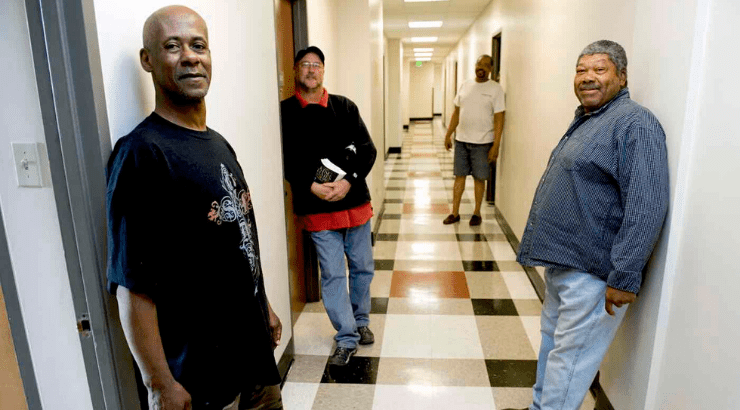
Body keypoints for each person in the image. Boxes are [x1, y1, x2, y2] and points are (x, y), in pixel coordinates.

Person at [106, 6, 283, 410]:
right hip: (202, 381)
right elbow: (132, 284)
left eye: (198, 45)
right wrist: (159, 384)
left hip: (255, 362)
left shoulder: (218, 143)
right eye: (173, 46)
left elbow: (237, 242)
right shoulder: (142, 154)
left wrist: (265, 309)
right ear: (148, 59)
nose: (190, 56)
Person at [504, 40, 669, 410]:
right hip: (564, 263)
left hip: (594, 271)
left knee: (571, 359)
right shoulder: (590, 119)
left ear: (622, 76)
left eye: (599, 69)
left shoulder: (635, 123)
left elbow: (646, 204)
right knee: (553, 345)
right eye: (581, 70)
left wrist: (624, 276)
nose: (587, 77)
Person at [280, 46, 377, 366]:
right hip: (317, 208)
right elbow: (285, 159)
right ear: (296, 70)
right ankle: (346, 336)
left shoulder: (344, 107)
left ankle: (360, 321)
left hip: (355, 203)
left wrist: (348, 181)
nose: (311, 70)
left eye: (317, 65)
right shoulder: (284, 112)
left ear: (323, 70)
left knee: (362, 267)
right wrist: (311, 186)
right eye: (305, 64)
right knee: (333, 274)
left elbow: (367, 150)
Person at [443, 55, 506, 226]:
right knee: (459, 177)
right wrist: (448, 134)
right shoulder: (465, 85)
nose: (481, 67)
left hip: (483, 143)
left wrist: (496, 145)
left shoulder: (496, 89)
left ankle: (476, 213)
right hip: (461, 141)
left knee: (479, 179)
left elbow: (499, 118)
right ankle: (454, 213)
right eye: (479, 64)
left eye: (485, 65)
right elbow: (457, 112)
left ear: (491, 69)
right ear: (475, 65)